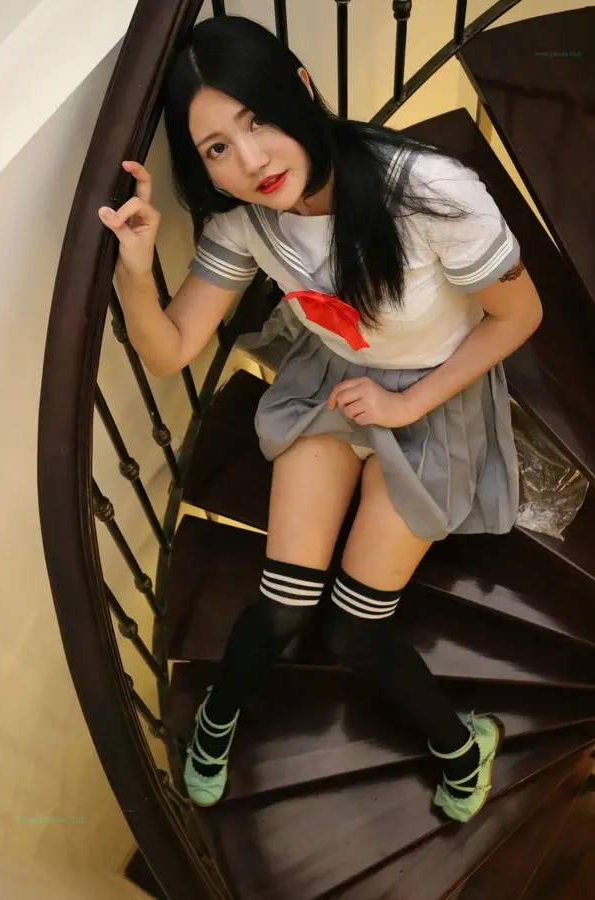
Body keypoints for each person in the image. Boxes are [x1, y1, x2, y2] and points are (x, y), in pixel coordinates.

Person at [98, 15, 543, 823]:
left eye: (258, 119)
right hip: (334, 386)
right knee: (284, 603)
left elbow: (519, 316)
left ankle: (462, 745)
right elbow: (169, 351)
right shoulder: (246, 219)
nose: (252, 161)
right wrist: (134, 269)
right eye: (217, 147)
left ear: (301, 87)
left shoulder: (429, 192)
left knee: (353, 632)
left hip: (433, 400)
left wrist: (406, 402)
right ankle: (215, 723)